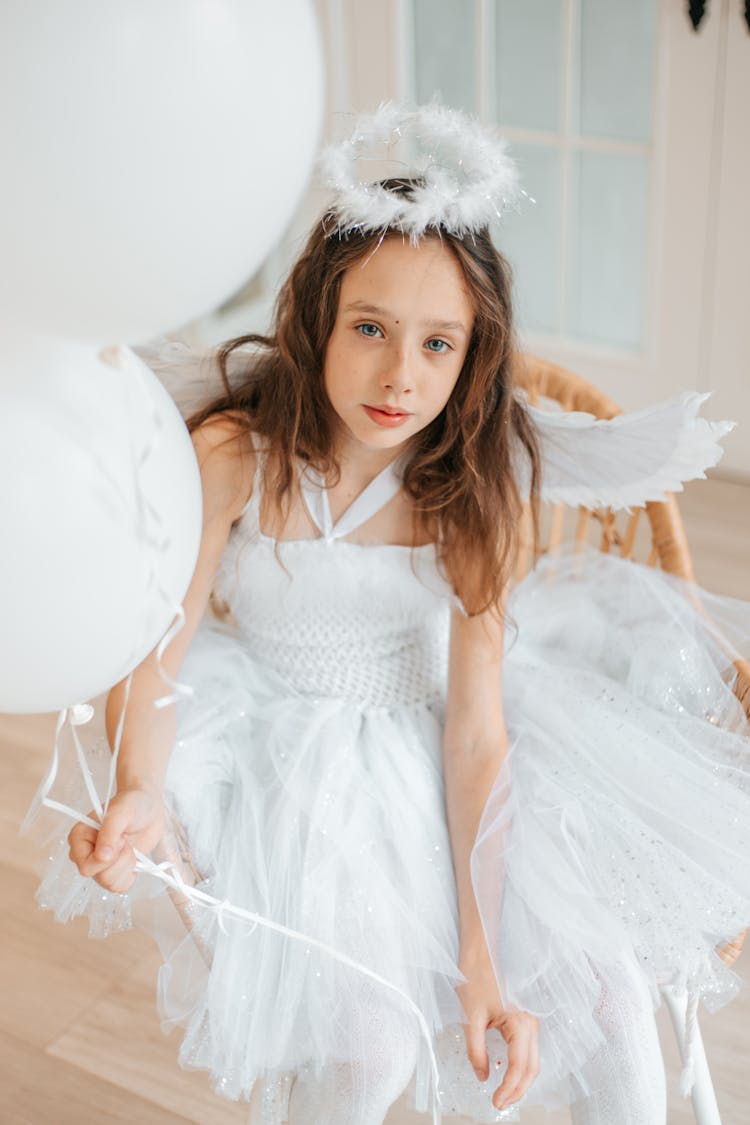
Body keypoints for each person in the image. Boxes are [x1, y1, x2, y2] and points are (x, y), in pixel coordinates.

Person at [29, 105, 750, 1125]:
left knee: (606, 996)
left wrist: (480, 956)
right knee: (363, 1049)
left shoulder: (470, 490)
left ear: (472, 357)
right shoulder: (237, 453)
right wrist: (141, 784)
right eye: (368, 328)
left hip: (445, 736)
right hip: (285, 738)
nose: (399, 375)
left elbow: (474, 734)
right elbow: (159, 647)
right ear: (317, 317)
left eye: (437, 344)